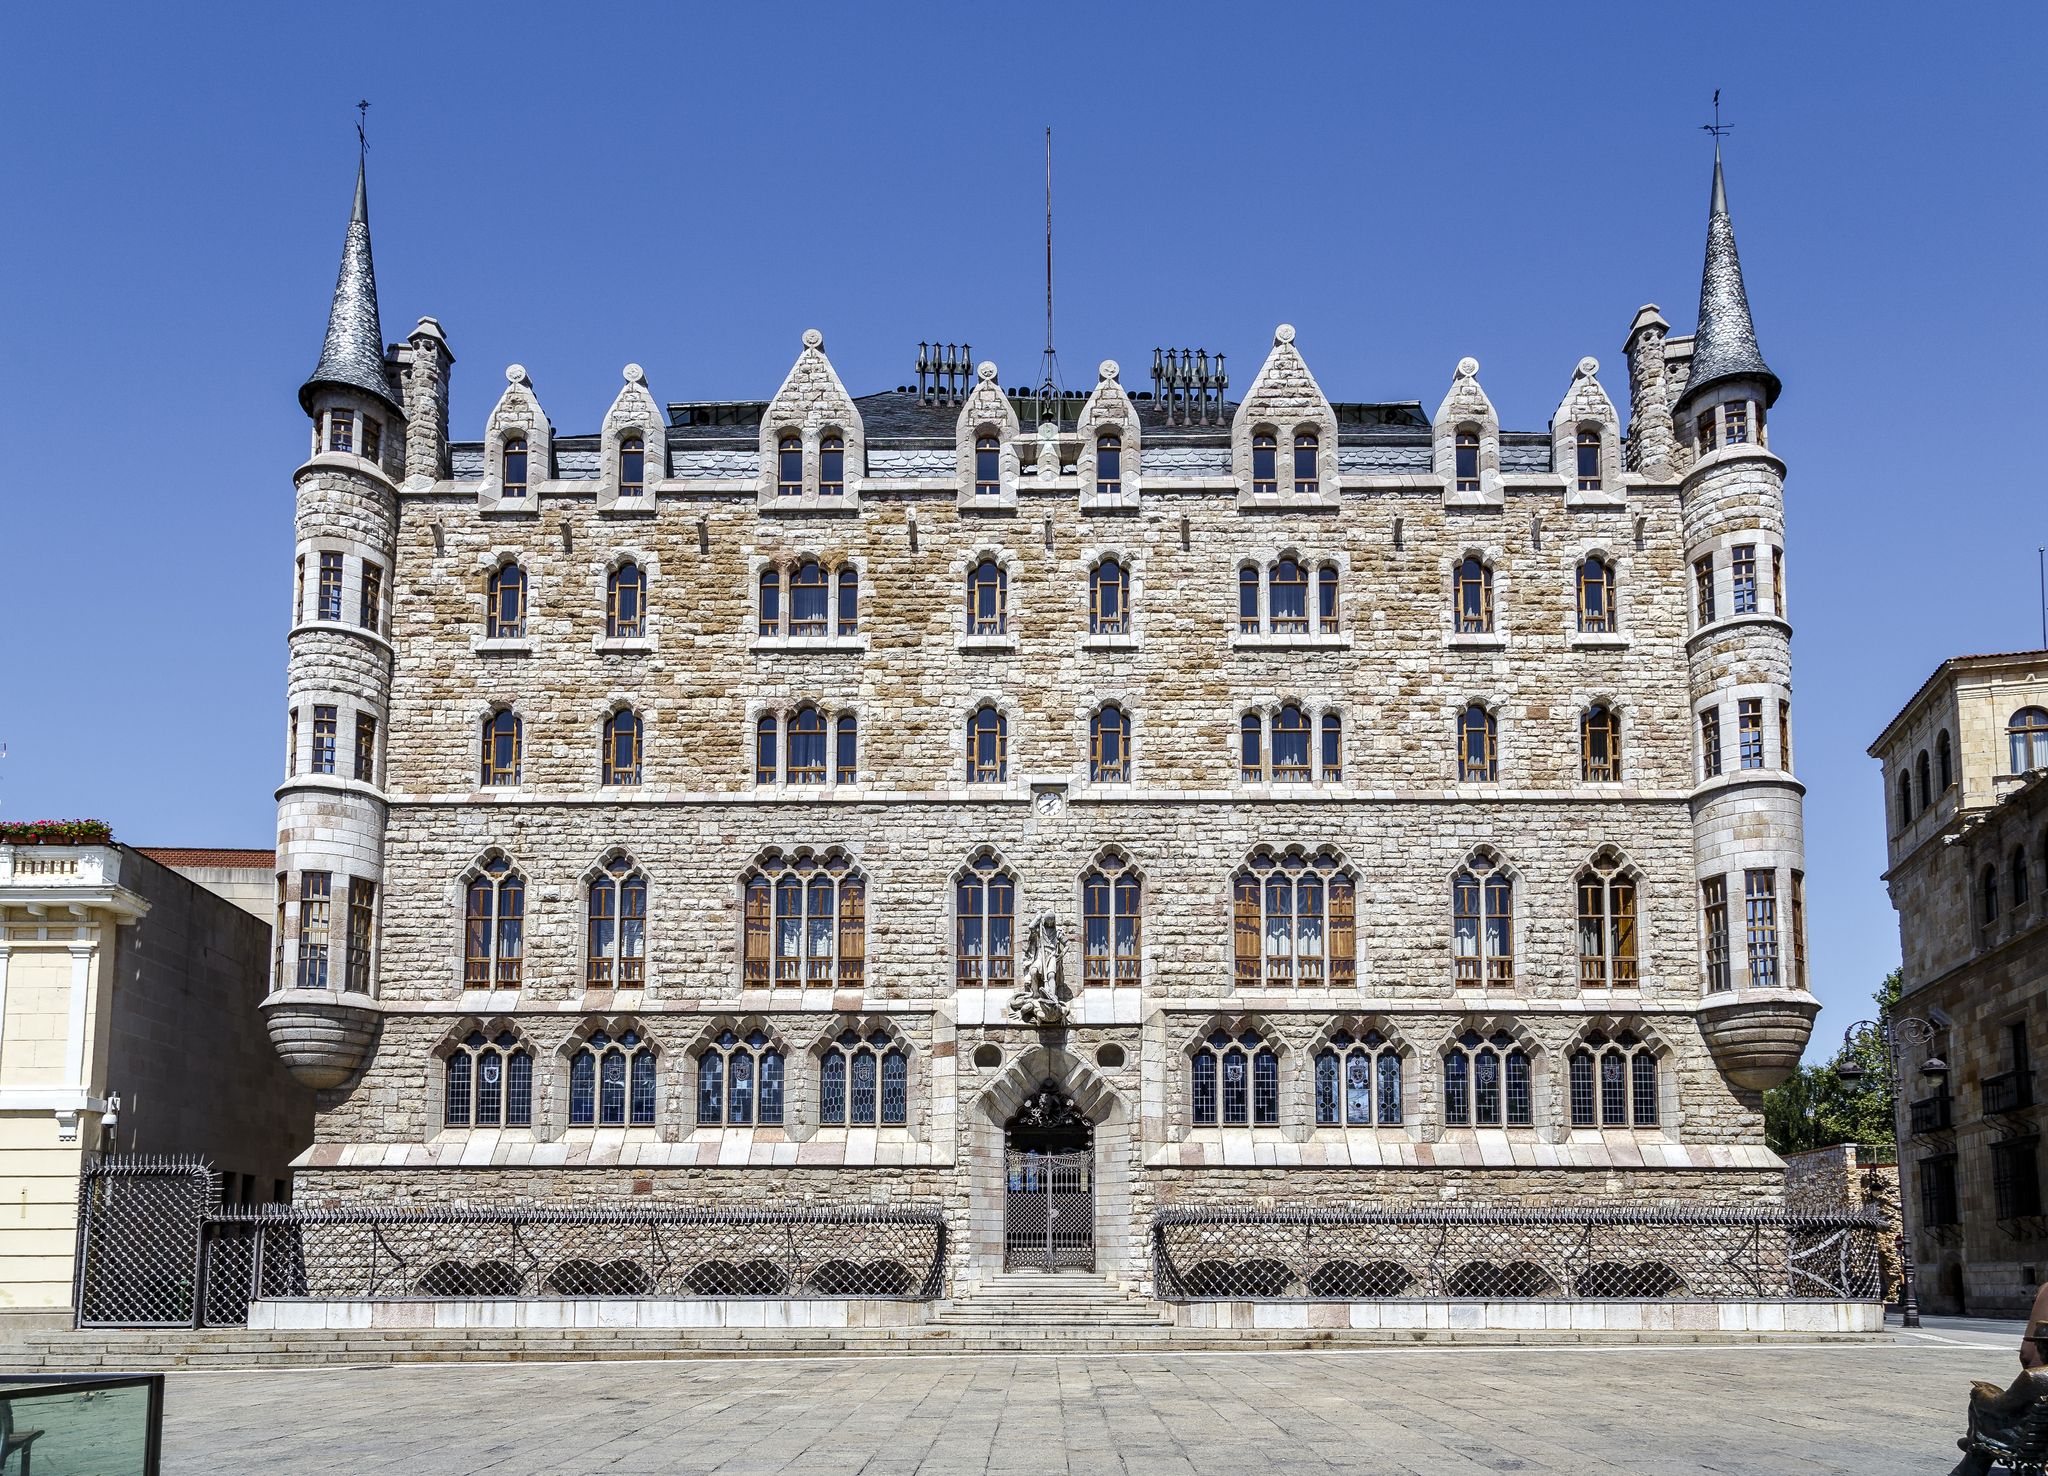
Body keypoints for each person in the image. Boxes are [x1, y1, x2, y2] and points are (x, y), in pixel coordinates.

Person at [1949, 1281, 2048, 1474]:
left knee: (1982, 1410)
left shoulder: (2034, 1377)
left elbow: (2003, 1405)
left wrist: (1980, 1394)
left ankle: (1972, 1443)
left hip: (2025, 1438)